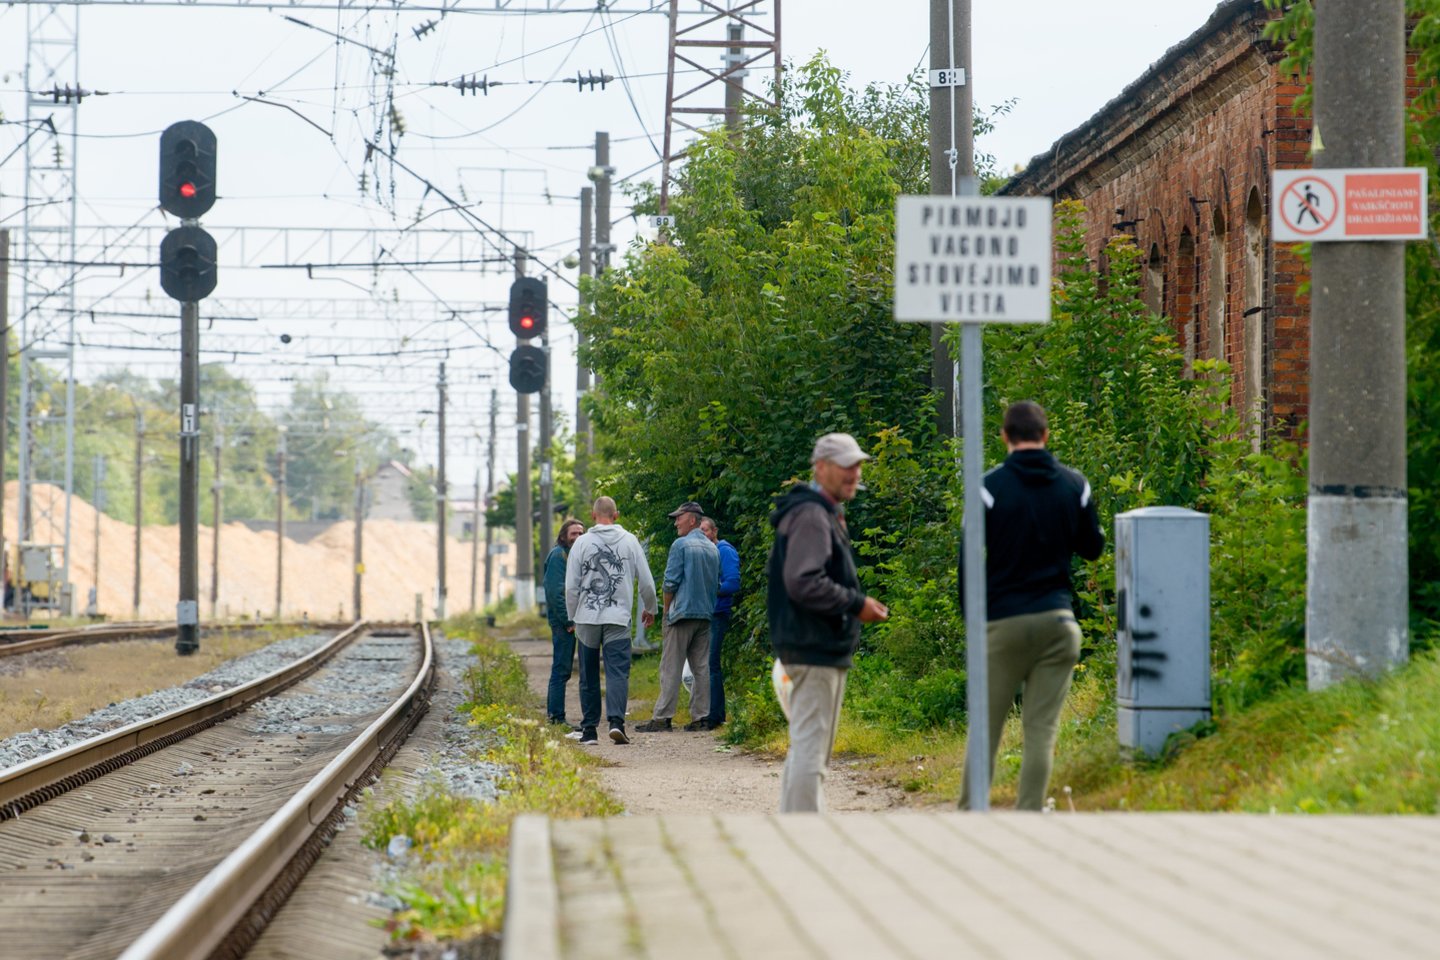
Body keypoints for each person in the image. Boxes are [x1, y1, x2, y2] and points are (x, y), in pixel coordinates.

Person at [958, 400, 1105, 811]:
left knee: (986, 727)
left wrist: (972, 622)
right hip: (1059, 623)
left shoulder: (988, 488)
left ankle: (970, 818)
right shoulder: (1074, 485)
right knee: (1041, 729)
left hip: (1005, 623)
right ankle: (1027, 819)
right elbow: (1093, 548)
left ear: (1004, 436)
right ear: (1046, 435)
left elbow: (968, 561)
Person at [769, 433, 888, 812]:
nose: (855, 472)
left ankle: (797, 830)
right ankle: (806, 839)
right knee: (812, 752)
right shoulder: (811, 514)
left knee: (807, 747)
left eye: (857, 464)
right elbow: (804, 581)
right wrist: (856, 604)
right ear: (821, 468)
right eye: (846, 465)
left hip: (813, 643)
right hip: (813, 645)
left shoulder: (819, 510)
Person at [565, 496, 658, 745]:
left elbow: (571, 585)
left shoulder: (582, 543)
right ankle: (616, 723)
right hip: (618, 618)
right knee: (617, 673)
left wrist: (572, 615)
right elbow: (647, 582)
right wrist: (651, 608)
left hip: (587, 618)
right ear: (616, 515)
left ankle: (589, 731)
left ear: (593, 516)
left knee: (589, 674)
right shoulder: (630, 541)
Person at [636, 501, 720, 733]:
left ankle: (663, 718)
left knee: (671, 667)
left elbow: (670, 582)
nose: (675, 522)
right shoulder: (713, 548)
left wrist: (666, 611)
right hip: (704, 615)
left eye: (679, 518)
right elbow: (716, 583)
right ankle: (701, 717)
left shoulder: (681, 545)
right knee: (701, 667)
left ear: (692, 520)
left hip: (681, 613)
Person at [543, 518, 585, 728]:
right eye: (573, 534)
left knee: (564, 669)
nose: (577, 537)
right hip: (563, 622)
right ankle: (556, 717)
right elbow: (554, 592)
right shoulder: (559, 556)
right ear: (563, 536)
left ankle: (556, 715)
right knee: (561, 669)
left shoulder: (571, 555)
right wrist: (568, 620)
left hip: (573, 620)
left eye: (580, 533)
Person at [699, 516, 740, 728]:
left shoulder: (724, 550)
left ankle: (715, 716)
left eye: (705, 530)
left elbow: (732, 583)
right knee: (702, 665)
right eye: (699, 531)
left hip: (717, 614)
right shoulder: (702, 553)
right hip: (703, 615)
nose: (702, 534)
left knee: (711, 664)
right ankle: (707, 714)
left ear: (714, 532)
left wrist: (709, 589)